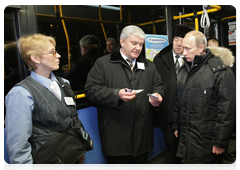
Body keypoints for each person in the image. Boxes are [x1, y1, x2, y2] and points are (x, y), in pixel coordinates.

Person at [84, 25, 165, 170]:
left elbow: (159, 85)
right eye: (134, 43)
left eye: (141, 44)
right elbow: (91, 90)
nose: (138, 48)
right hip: (116, 135)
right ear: (122, 42)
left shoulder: (149, 66)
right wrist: (117, 94)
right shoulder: (103, 64)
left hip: (142, 135)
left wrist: (158, 95)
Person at [5, 34, 85, 170]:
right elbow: (18, 146)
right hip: (46, 162)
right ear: (35, 58)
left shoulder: (64, 84)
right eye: (52, 52)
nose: (58, 55)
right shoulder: (21, 94)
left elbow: (73, 119)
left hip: (70, 157)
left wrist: (79, 149)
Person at [173, 30, 237, 170]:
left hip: (206, 141)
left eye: (188, 48)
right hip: (186, 138)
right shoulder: (184, 68)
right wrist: (176, 125)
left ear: (201, 48)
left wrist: (220, 141)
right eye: (183, 48)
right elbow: (178, 100)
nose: (184, 52)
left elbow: (228, 110)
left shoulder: (220, 71)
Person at [153, 25, 192, 169]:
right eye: (176, 39)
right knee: (171, 144)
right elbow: (155, 84)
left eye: (182, 40)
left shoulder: (193, 60)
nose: (179, 44)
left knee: (187, 148)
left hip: (187, 115)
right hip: (167, 114)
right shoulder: (160, 59)